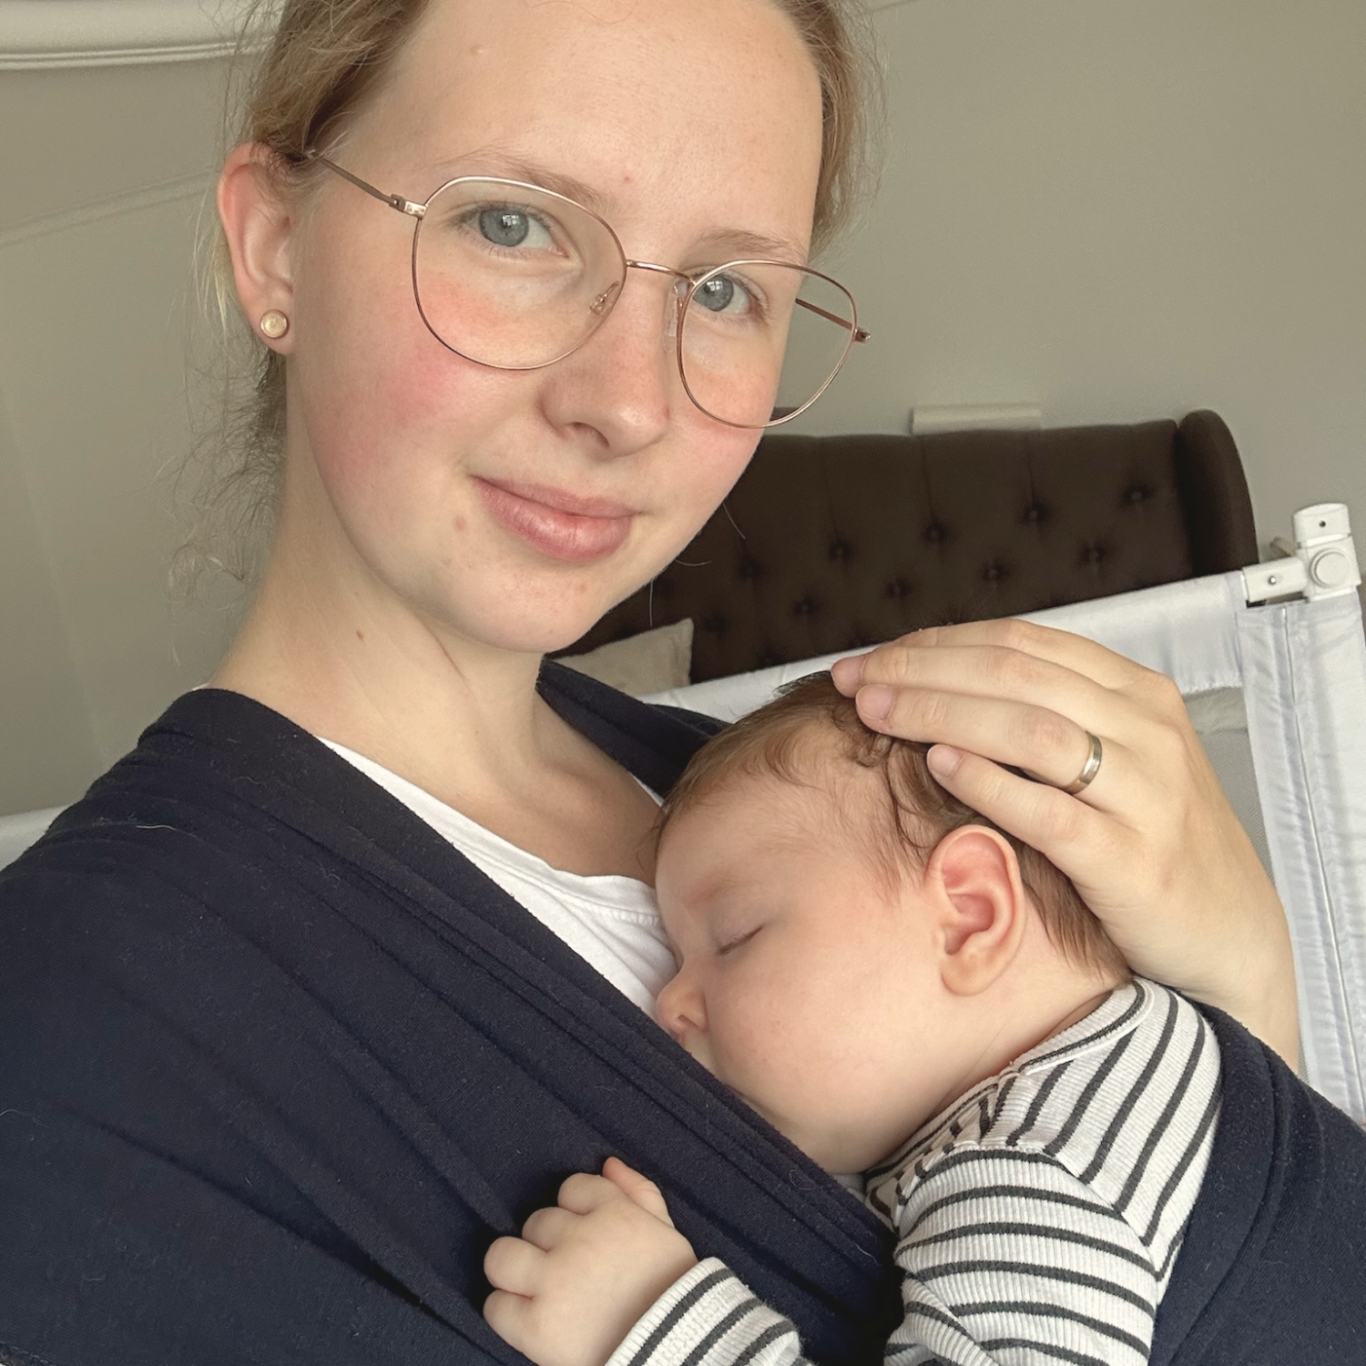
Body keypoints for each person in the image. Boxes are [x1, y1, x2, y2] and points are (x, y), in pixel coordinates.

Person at [0, 1, 1305, 1362]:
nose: (628, 402)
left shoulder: (776, 797)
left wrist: (1242, 985)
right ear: (275, 242)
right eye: (514, 224)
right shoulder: (77, 1046)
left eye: (725, 289)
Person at [480, 673, 1366, 1366]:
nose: (670, 1004)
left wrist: (648, 1327)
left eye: (737, 937)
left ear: (970, 914)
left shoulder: (1030, 1173)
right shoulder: (1145, 1053)